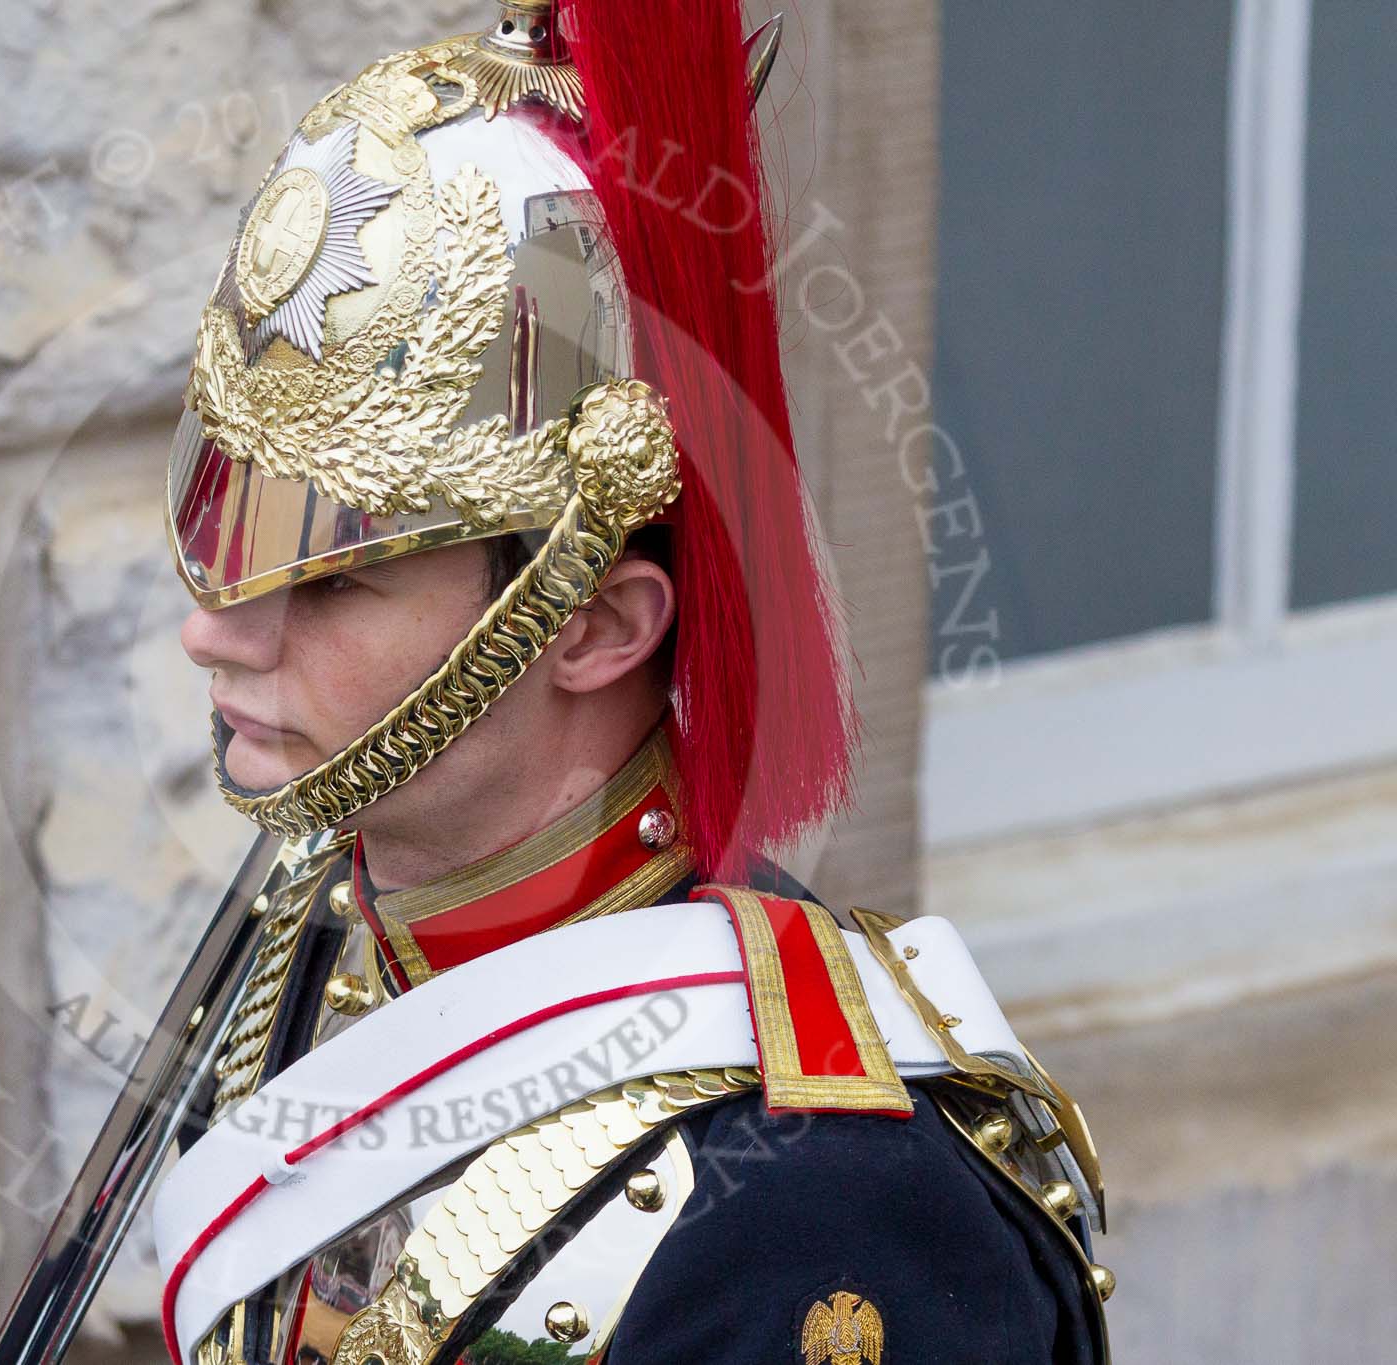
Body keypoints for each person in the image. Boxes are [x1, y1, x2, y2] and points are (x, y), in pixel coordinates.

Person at [147, 3, 1112, 1362]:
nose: (219, 635)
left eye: (334, 578)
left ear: (596, 620)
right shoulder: (328, 939)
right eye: (240, 543)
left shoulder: (825, 1210)